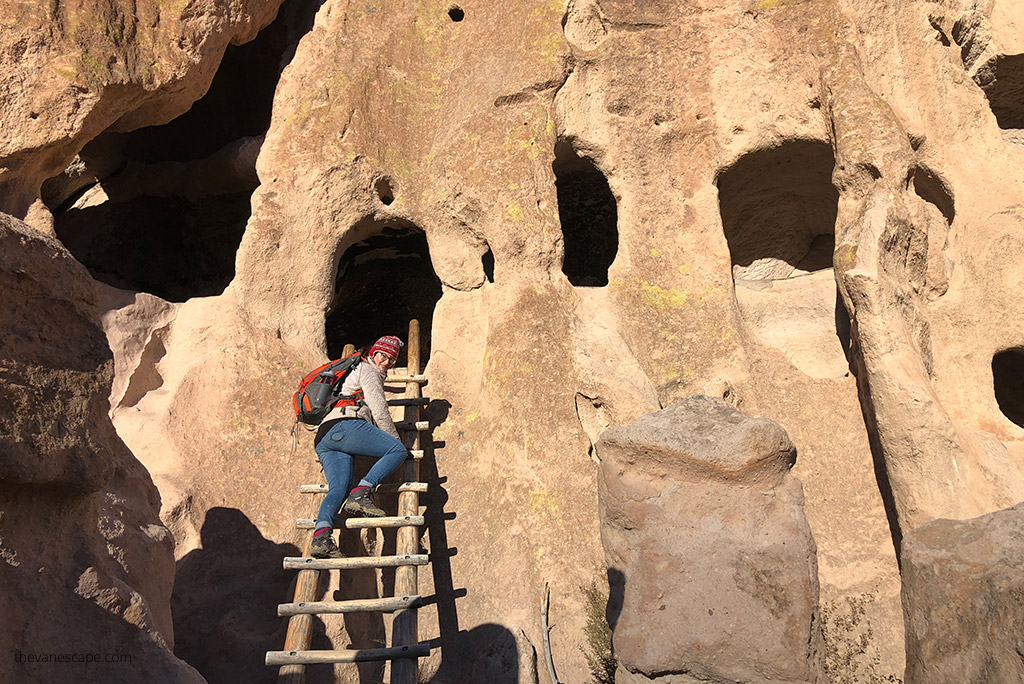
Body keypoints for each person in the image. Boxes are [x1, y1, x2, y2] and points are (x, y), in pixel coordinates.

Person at [310, 335, 409, 559]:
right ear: (373, 353)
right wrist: (395, 439)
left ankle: (321, 538)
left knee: (337, 490)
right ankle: (362, 493)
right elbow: (378, 408)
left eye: (392, 360)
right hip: (346, 426)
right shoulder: (368, 370)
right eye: (383, 355)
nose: (386, 362)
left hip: (325, 437)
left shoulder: (355, 371)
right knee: (397, 451)